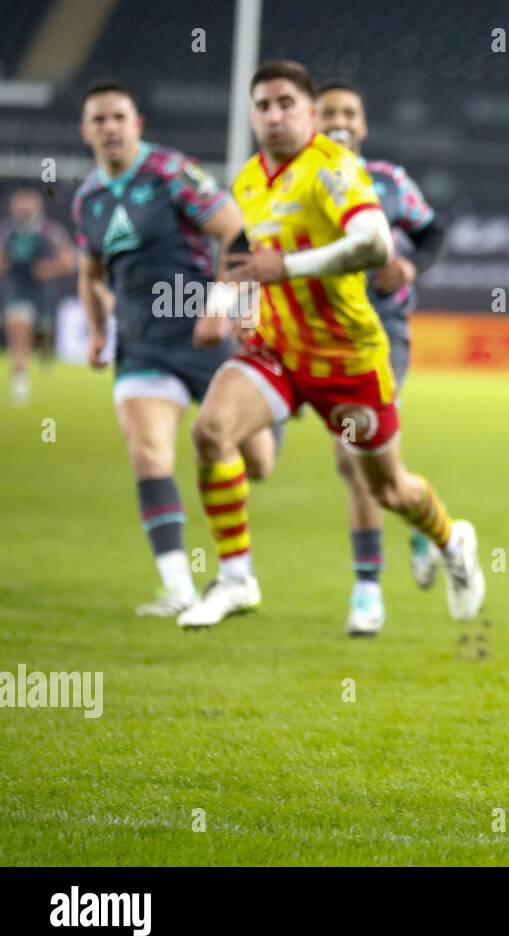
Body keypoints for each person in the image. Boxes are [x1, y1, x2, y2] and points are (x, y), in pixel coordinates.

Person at [177, 61, 484, 630]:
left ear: (310, 114)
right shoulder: (248, 179)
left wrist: (284, 267)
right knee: (211, 430)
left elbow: (372, 243)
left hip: (348, 358)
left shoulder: (334, 168)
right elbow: (244, 259)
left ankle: (450, 540)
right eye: (263, 105)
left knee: (389, 489)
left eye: (286, 103)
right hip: (280, 349)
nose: (274, 115)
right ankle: (235, 577)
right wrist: (226, 307)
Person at [72, 79, 276, 617]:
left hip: (205, 341)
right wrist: (97, 330)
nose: (109, 128)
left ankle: (265, 427)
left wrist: (223, 306)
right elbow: (90, 273)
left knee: (258, 464)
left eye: (119, 117)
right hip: (142, 347)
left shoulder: (170, 173)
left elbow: (238, 231)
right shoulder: (87, 200)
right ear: (85, 130)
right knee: (149, 452)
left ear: (137, 123)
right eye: (99, 120)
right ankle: (180, 587)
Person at [317, 79, 448, 636]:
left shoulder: (389, 183)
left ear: (364, 125)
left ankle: (367, 588)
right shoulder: (297, 188)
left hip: (379, 335)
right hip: (315, 338)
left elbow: (434, 232)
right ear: (311, 123)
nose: (340, 120)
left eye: (350, 111)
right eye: (329, 113)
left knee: (352, 457)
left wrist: (412, 265)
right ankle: (421, 521)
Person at [1, 187, 76, 404]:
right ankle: (20, 379)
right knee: (18, 329)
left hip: (43, 292)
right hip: (17, 288)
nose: (23, 207)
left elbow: (69, 259)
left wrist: (48, 269)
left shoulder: (49, 230)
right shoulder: (8, 231)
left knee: (43, 336)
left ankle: (44, 359)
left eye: (27, 202)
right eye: (19, 202)